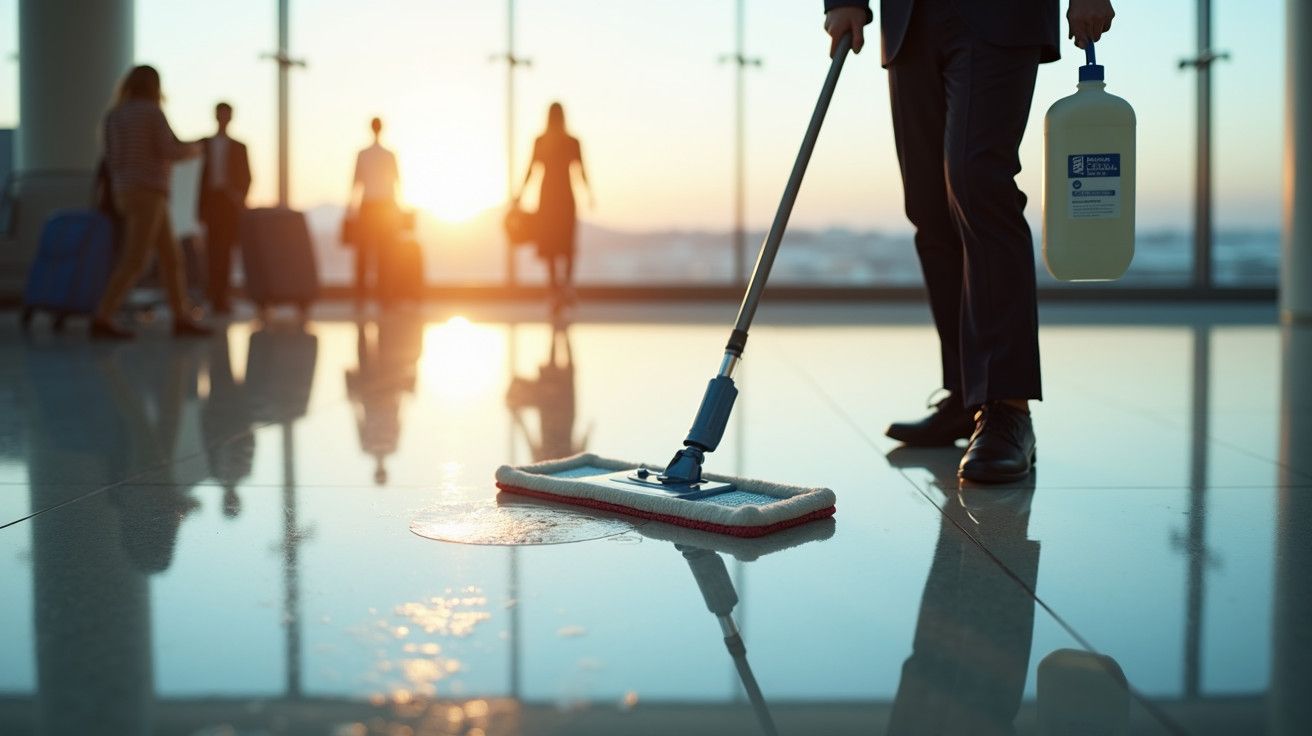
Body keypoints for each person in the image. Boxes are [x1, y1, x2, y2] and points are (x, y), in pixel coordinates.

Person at [822, 0, 1116, 482]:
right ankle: (965, 394)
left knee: (979, 185)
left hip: (997, 15)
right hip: (912, 20)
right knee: (930, 206)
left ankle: (1006, 406)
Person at [92, 65, 210, 339]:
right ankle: (103, 315)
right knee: (135, 259)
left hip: (124, 192)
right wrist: (194, 149)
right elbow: (168, 150)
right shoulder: (151, 113)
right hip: (150, 192)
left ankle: (181, 316)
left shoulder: (114, 116)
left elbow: (111, 160)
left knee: (171, 256)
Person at [517, 102, 593, 302]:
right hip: (564, 197)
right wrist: (589, 194)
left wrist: (520, 194)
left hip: (549, 198)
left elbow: (531, 170)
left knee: (552, 246)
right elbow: (581, 170)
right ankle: (565, 288)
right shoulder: (571, 141)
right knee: (565, 245)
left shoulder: (543, 141)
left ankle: (555, 291)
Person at [197, 102, 252, 316]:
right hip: (210, 202)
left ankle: (222, 297)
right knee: (212, 250)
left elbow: (247, 176)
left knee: (226, 250)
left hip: (229, 203)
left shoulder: (239, 147)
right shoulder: (204, 144)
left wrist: (240, 197)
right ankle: (213, 295)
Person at [348, 117, 401, 305]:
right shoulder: (389, 155)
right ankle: (385, 298)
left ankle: (361, 298)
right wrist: (397, 211)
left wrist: (350, 211)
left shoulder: (363, 154)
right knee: (385, 254)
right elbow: (397, 185)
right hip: (385, 207)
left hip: (368, 207)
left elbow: (356, 184)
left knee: (364, 254)